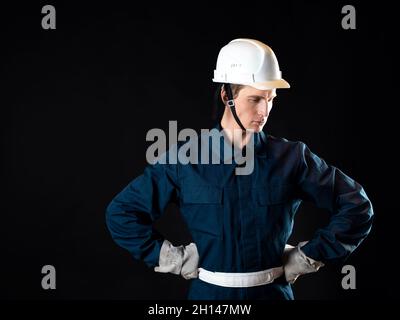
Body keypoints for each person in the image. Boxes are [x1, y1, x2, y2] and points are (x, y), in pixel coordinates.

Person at [106, 38, 374, 300]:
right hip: (209, 297)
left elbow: (356, 206)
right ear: (227, 96)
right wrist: (174, 259)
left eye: (271, 99)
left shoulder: (292, 158)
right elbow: (122, 214)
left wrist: (310, 256)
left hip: (272, 292)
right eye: (255, 99)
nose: (265, 110)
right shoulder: (184, 160)